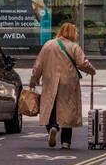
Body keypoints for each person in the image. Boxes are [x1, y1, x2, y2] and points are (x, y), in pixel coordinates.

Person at [29, 20, 96, 149]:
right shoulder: (74, 47)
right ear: (72, 34)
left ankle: (52, 127)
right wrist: (92, 70)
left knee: (51, 106)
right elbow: (83, 63)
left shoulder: (48, 45)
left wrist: (33, 80)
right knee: (67, 111)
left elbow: (38, 65)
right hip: (68, 82)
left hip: (50, 81)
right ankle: (66, 142)